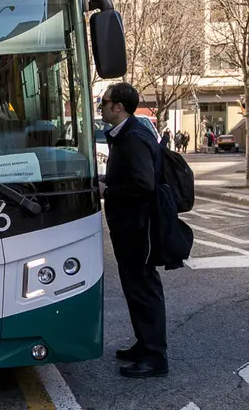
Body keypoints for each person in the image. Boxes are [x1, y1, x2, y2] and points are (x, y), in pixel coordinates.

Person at [98, 82, 168, 378]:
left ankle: (155, 357)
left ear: (119, 107)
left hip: (137, 228)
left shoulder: (133, 137)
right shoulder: (125, 134)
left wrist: (108, 189)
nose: (101, 106)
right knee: (135, 288)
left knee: (144, 289)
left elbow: (142, 184)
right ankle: (145, 344)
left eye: (104, 102)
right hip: (129, 227)